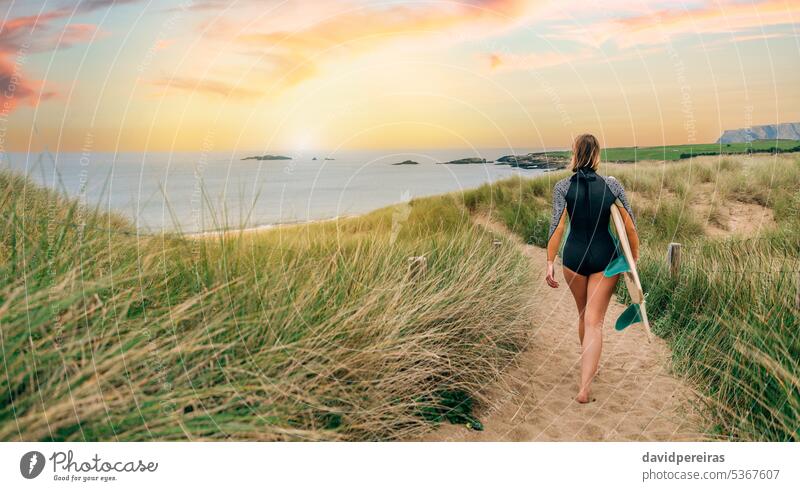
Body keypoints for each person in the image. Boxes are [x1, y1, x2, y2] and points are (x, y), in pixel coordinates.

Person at [545, 134, 639, 404]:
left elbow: (558, 227)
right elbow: (629, 226)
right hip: (604, 259)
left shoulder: (562, 187)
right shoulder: (612, 185)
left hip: (573, 258)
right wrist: (633, 258)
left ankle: (588, 364)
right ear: (597, 155)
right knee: (595, 322)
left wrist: (550, 262)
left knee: (584, 314)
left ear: (574, 154)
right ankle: (584, 387)